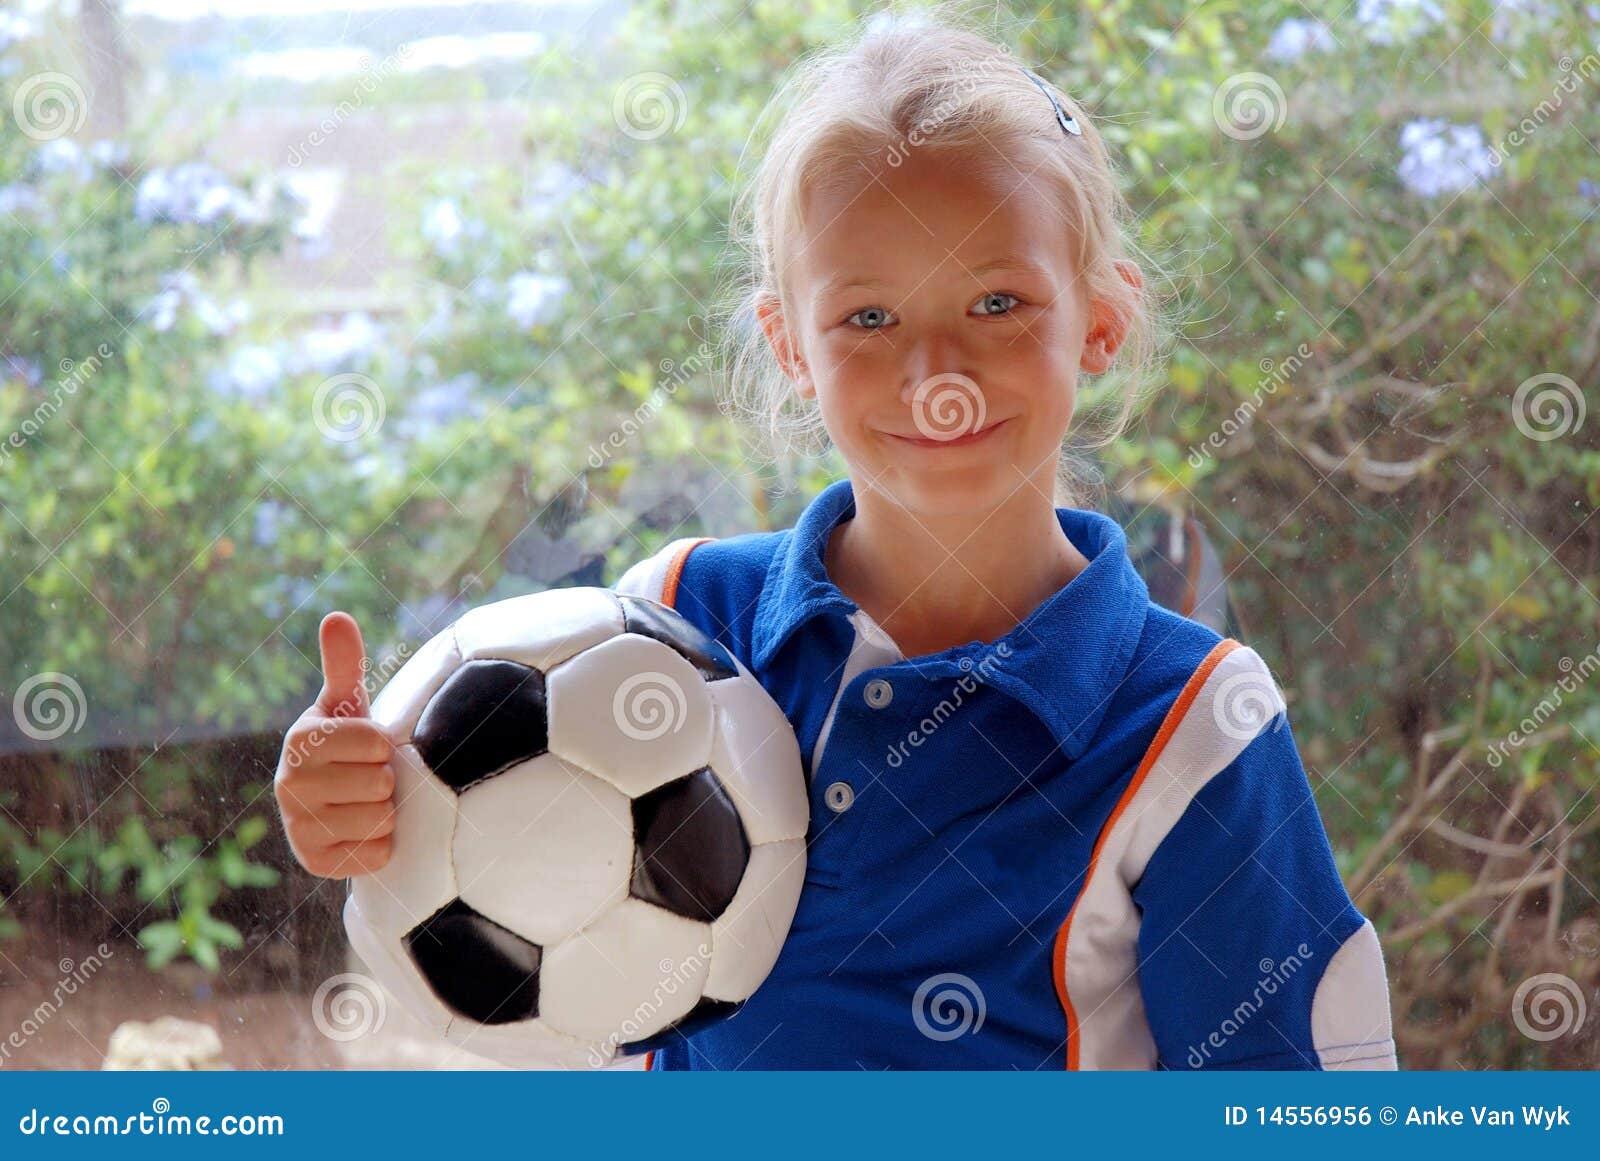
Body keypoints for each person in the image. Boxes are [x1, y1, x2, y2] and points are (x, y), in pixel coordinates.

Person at [276, 8, 1397, 1070]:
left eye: (998, 302)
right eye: (869, 317)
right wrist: (372, 816)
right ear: (792, 347)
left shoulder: (1193, 720)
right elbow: (512, 946)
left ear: (1100, 318)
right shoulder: (665, 622)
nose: (936, 373)